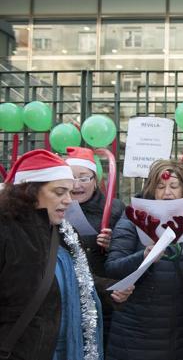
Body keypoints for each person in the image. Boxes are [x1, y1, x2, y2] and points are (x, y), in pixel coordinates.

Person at [0, 149, 103, 360]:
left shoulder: (64, 232)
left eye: (70, 192)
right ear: (29, 191)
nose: (68, 200)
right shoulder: (6, 231)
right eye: (59, 192)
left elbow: (74, 280)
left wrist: (109, 290)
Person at [105, 160, 183, 360]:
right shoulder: (132, 220)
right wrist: (142, 257)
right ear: (152, 189)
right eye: (161, 187)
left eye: (174, 186)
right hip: (136, 330)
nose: (167, 192)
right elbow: (113, 268)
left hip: (182, 331)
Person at [65, 146, 130, 344]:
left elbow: (125, 253)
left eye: (84, 178)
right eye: (71, 178)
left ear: (95, 180)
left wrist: (112, 245)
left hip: (103, 298)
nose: (77, 185)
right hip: (67, 295)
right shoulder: (56, 206)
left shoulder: (114, 208)